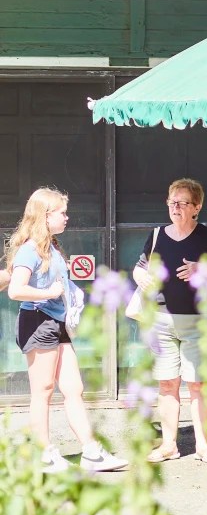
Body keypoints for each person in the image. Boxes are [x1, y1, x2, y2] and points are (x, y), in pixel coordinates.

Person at [5, 188, 127, 473]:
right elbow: (15, 290)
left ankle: (91, 452)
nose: (66, 217)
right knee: (43, 390)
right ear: (46, 216)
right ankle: (43, 453)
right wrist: (48, 291)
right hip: (37, 321)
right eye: (61, 212)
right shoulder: (30, 250)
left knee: (74, 388)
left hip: (55, 322)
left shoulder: (52, 247)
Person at [133, 178, 207, 463]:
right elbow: (139, 269)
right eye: (172, 202)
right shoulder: (156, 236)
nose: (175, 207)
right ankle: (169, 445)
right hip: (161, 320)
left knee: (198, 384)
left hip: (198, 321)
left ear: (196, 207)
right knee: (167, 384)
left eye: (182, 202)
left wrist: (201, 268)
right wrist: (140, 276)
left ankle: (203, 445)